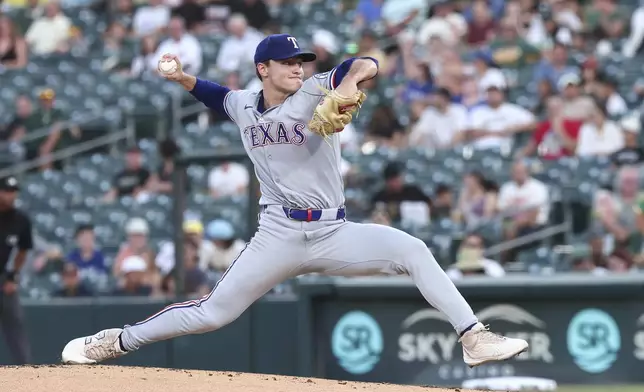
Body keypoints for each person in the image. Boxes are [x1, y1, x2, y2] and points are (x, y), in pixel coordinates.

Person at [61, 33, 528, 366]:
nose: (298, 68)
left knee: (413, 250)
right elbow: (214, 95)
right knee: (213, 313)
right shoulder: (244, 104)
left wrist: (346, 85)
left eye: (301, 61)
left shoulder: (312, 90)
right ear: (263, 69)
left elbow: (366, 63)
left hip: (333, 231)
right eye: (288, 62)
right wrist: (183, 77)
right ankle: (118, 341)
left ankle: (473, 337)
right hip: (279, 233)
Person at [0, 176, 32, 364]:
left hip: (4, 278)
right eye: (6, 191)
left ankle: (25, 371)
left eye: (13, 192)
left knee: (15, 325)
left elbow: (23, 249)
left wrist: (13, 276)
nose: (10, 196)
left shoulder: (20, 219)